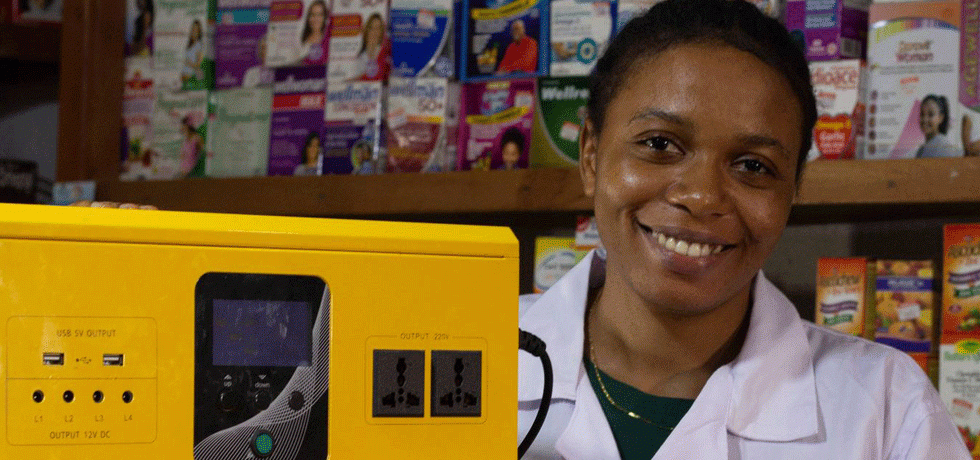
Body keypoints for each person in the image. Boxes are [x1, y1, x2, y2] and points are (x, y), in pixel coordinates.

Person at [517, 1, 969, 459]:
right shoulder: (480, 349)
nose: (702, 196)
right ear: (591, 156)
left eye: (753, 166)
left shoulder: (888, 411)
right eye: (660, 144)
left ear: (793, 191)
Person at [353, 13, 391, 81]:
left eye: (378, 28)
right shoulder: (361, 57)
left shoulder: (386, 52)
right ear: (367, 31)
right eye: (371, 28)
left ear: (381, 31)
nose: (375, 32)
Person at [299, 0, 329, 65]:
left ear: (324, 17)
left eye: (320, 15)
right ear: (308, 17)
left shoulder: (328, 39)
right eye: (313, 15)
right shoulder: (301, 39)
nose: (316, 19)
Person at [181, 20, 204, 85]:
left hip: (190, 76)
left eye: (196, 29)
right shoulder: (187, 43)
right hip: (183, 74)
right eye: (193, 28)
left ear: (199, 32)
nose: (194, 31)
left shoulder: (199, 45)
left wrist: (189, 63)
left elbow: (198, 64)